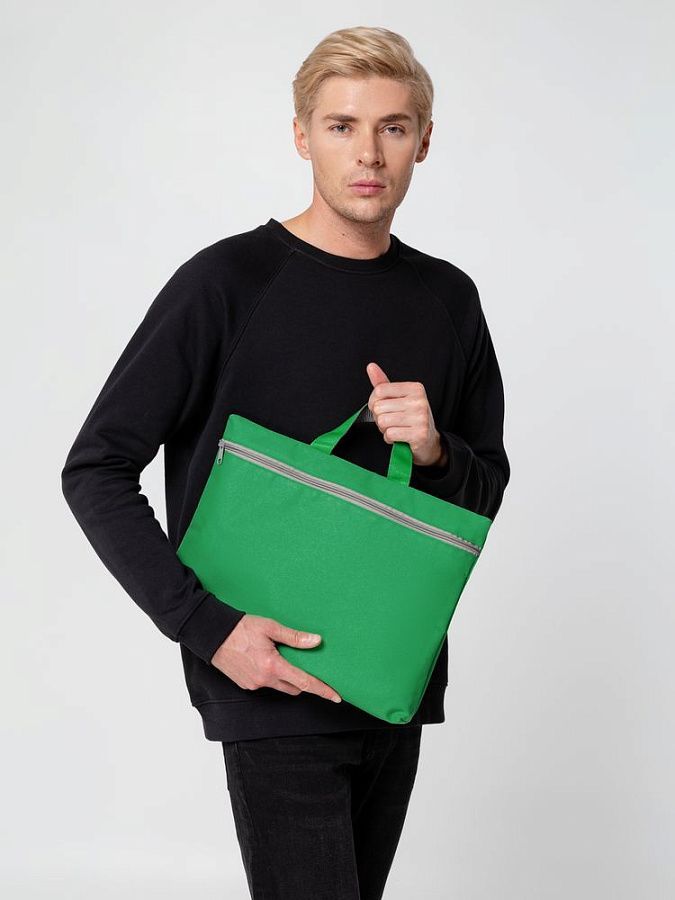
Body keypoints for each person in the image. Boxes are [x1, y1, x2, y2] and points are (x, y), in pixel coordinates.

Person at [61, 24, 510, 900]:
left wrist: (434, 451)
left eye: (391, 127)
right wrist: (208, 629)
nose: (368, 153)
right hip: (267, 681)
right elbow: (96, 467)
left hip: (390, 677)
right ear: (302, 136)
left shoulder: (448, 300)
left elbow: (483, 492)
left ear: (423, 141)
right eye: (341, 126)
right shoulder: (226, 282)